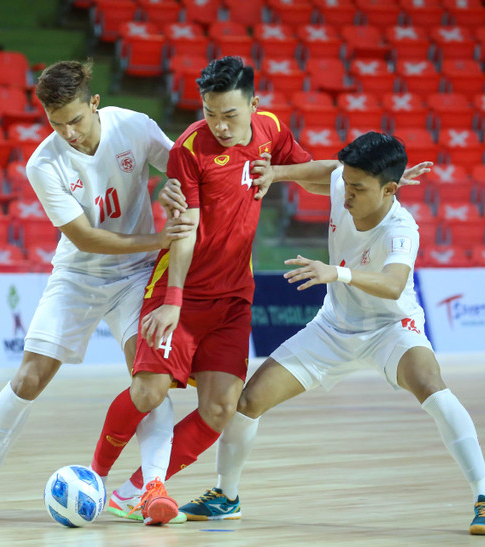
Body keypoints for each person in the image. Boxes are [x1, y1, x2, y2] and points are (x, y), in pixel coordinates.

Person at [178, 132, 485, 536]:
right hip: (333, 328)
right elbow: (327, 172)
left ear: (390, 189)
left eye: (357, 188)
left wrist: (338, 273)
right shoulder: (345, 182)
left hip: (391, 329)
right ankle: (225, 496)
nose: (345, 194)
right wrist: (277, 173)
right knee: (248, 401)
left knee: (431, 385)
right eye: (346, 183)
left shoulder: (401, 228)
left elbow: (392, 282)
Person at [0, 60, 194, 522]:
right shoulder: (43, 163)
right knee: (28, 378)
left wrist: (172, 191)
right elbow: (85, 237)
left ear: (95, 103)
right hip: (78, 276)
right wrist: (161, 239)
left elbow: (183, 171)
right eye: (57, 124)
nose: (69, 133)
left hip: (137, 276)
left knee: (149, 381)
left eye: (77, 121)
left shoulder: (135, 127)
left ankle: (154, 486)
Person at [89, 56, 312, 526]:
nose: (221, 125)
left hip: (233, 299)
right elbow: (183, 229)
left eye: (230, 114)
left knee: (219, 408)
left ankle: (135, 492)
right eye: (211, 113)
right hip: (181, 291)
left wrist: (287, 174)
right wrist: (172, 301)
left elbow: (314, 173)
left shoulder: (271, 129)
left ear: (254, 103)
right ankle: (93, 477)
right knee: (148, 391)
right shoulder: (190, 147)